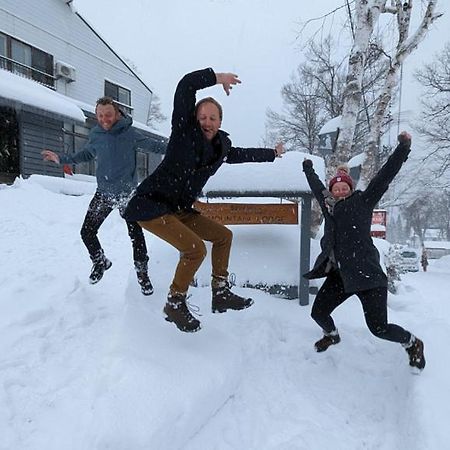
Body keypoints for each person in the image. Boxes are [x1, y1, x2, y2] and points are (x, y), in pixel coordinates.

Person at [123, 68, 284, 333]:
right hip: (151, 204)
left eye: (212, 118)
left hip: (178, 208)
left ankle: (220, 293)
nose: (207, 122)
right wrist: (217, 78)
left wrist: (271, 154)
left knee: (223, 236)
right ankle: (175, 302)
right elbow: (186, 85)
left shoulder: (221, 148)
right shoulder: (183, 132)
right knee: (195, 249)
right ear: (194, 119)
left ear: (220, 121)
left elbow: (241, 154)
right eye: (202, 117)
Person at [302, 131, 425, 371]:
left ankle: (412, 343)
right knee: (318, 312)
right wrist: (308, 169)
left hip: (368, 276)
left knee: (379, 328)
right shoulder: (329, 207)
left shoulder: (364, 201)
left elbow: (384, 176)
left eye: (343, 187)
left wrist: (403, 149)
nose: (339, 191)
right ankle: (332, 335)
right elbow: (318, 189)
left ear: (349, 188)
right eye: (335, 188)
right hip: (342, 276)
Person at [42, 96, 154, 295]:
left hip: (127, 195)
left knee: (136, 235)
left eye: (108, 115)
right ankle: (100, 262)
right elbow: (85, 154)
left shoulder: (130, 133)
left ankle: (142, 274)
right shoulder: (96, 134)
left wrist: (180, 147)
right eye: (100, 115)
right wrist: (61, 158)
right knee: (87, 232)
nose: (104, 119)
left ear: (117, 113)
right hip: (104, 193)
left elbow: (156, 146)